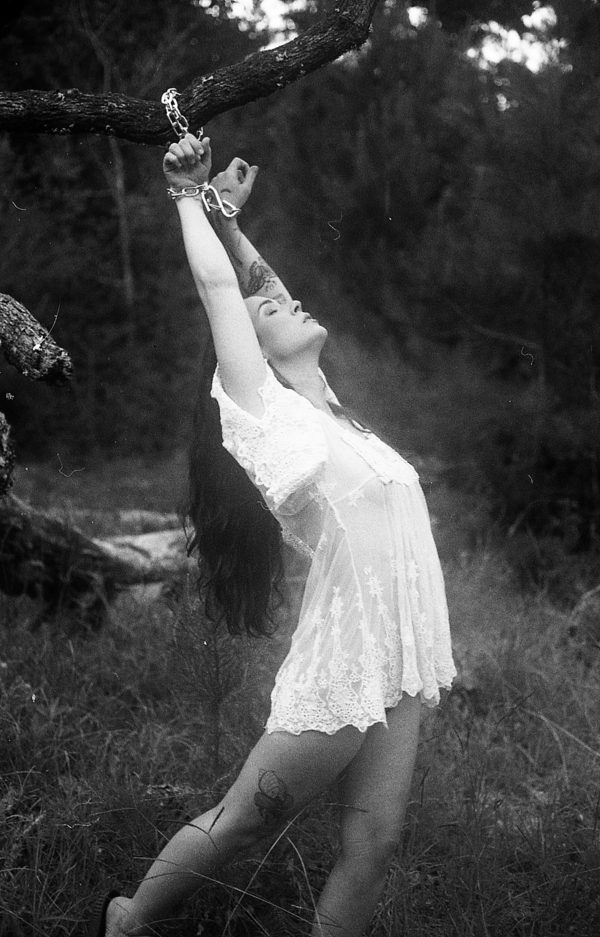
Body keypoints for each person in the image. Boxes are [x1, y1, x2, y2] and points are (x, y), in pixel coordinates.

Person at [93, 133, 456, 937]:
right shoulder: (262, 407)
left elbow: (259, 284)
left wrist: (227, 215)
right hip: (344, 661)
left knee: (374, 843)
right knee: (245, 819)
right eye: (271, 312)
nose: (288, 301)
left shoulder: (327, 404)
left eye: (285, 301)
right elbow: (223, 286)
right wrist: (186, 196)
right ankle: (129, 919)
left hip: (395, 655)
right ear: (247, 348)